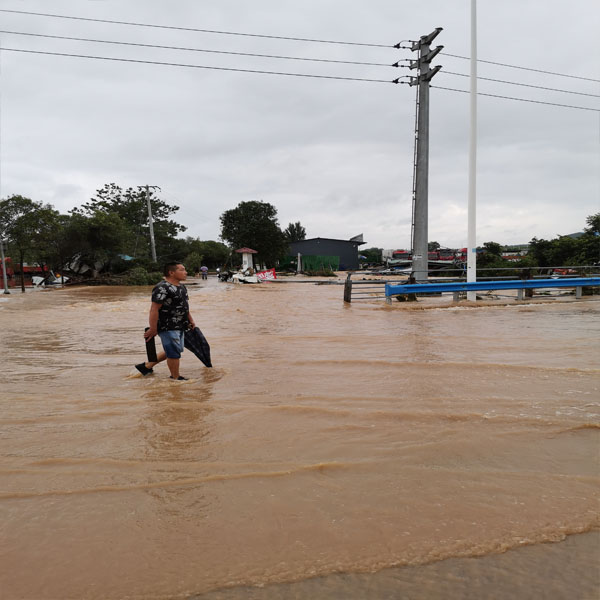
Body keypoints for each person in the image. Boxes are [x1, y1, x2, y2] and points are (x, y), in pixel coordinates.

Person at [135, 262, 195, 381]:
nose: (186, 272)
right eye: (182, 270)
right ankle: (175, 378)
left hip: (180, 324)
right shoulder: (162, 288)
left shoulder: (182, 287)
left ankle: (146, 366)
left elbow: (184, 306)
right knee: (173, 352)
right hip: (167, 325)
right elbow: (154, 309)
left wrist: (190, 320)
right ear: (171, 272)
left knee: (175, 349)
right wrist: (153, 328)